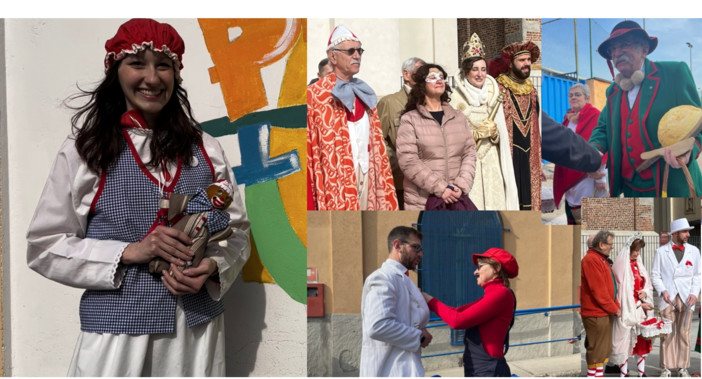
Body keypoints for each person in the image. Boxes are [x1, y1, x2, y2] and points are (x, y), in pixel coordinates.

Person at [25, 19, 251, 376]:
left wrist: (212, 268)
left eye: (163, 65)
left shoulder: (205, 149)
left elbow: (236, 230)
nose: (152, 77)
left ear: (176, 73)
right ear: (116, 70)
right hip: (118, 335)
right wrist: (129, 251)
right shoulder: (87, 151)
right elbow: (44, 245)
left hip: (196, 333)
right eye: (137, 63)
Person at [589, 20, 702, 197]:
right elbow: (603, 128)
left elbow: (698, 123)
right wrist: (594, 150)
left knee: (679, 226)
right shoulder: (613, 91)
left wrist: (690, 150)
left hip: (672, 185)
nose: (617, 53)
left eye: (624, 45)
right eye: (612, 50)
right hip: (629, 187)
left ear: (644, 49)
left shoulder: (675, 73)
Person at [307, 25, 398, 210]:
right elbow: (310, 148)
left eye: (359, 50)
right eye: (350, 51)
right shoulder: (315, 95)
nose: (356, 55)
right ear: (332, 56)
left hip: (367, 172)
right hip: (335, 179)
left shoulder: (364, 92)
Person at [422, 248, 518, 377]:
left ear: (497, 268)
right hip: (481, 369)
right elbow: (457, 311)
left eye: (479, 266)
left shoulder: (501, 294)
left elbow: (457, 321)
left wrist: (428, 300)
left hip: (488, 370)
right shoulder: (492, 294)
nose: (475, 272)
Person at [450, 33, 518, 211]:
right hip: (467, 163)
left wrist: (495, 134)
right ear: (466, 71)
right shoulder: (454, 98)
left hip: (491, 161)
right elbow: (450, 137)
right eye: (475, 69)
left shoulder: (494, 94)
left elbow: (502, 136)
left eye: (483, 69)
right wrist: (475, 134)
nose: (480, 74)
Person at [396, 63, 477, 210]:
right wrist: (441, 188)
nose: (439, 80)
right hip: (422, 201)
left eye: (441, 77)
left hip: (456, 199)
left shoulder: (458, 118)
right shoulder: (410, 120)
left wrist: (460, 185)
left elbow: (469, 153)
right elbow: (408, 160)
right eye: (432, 77)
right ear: (421, 84)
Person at [360, 226, 432, 377]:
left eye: (421, 249)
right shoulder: (383, 277)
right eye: (416, 247)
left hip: (404, 367)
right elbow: (377, 326)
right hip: (388, 370)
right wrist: (419, 336)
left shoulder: (402, 278)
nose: (420, 254)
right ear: (397, 245)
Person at [489, 41, 541, 211]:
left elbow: (536, 122)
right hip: (507, 152)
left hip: (529, 154)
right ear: (510, 64)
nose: (527, 63)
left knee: (529, 203)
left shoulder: (532, 90)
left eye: (528, 60)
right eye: (522, 60)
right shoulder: (497, 88)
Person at [651, 218, 701, 377]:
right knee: (667, 333)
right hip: (668, 298)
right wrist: (662, 290)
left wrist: (694, 293)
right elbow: (655, 275)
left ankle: (682, 367)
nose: (688, 234)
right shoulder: (661, 252)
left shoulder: (694, 251)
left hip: (687, 298)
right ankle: (666, 367)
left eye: (688, 231)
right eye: (685, 231)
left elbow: (698, 275)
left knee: (684, 333)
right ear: (676, 233)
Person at [553, 83, 608, 224]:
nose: (573, 97)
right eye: (570, 95)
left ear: (587, 98)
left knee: (588, 211)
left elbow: (604, 143)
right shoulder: (567, 118)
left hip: (588, 175)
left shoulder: (596, 116)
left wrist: (600, 178)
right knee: (572, 209)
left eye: (577, 94)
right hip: (569, 172)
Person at [377, 56, 426, 209]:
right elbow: (378, 141)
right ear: (406, 75)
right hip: (401, 183)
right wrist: (396, 165)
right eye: (420, 72)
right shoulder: (389, 103)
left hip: (430, 181)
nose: (425, 77)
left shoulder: (433, 102)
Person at [610, 235, 654, 377]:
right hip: (627, 310)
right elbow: (619, 289)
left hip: (640, 310)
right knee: (625, 343)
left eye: (639, 250)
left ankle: (641, 373)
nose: (638, 253)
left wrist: (644, 293)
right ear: (629, 249)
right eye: (636, 250)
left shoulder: (639, 265)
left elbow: (647, 284)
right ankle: (624, 374)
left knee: (641, 342)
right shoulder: (621, 265)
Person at [581, 230, 621, 378]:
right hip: (595, 312)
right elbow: (598, 290)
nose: (612, 247)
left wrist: (615, 305)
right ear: (601, 244)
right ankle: (593, 375)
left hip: (603, 311)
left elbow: (611, 287)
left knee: (603, 349)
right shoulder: (591, 260)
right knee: (596, 349)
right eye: (610, 244)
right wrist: (614, 308)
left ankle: (598, 375)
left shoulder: (600, 259)